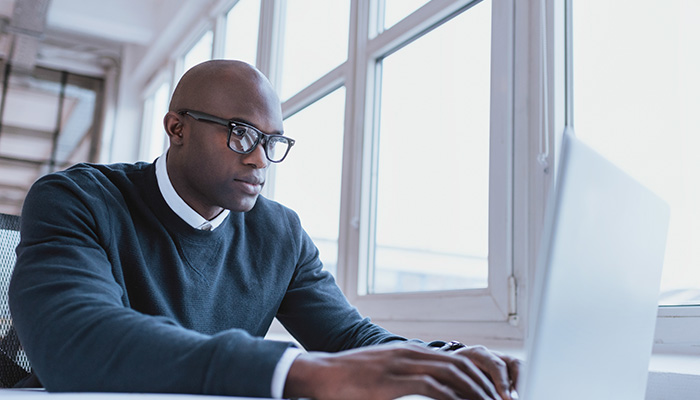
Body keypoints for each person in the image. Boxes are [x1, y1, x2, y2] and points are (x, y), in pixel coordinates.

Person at [9, 59, 520, 400]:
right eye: (241, 134)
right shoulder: (77, 200)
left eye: (272, 141)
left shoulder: (279, 233)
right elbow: (74, 341)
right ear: (176, 128)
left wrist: (439, 360)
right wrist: (294, 370)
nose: (259, 159)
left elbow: (348, 337)